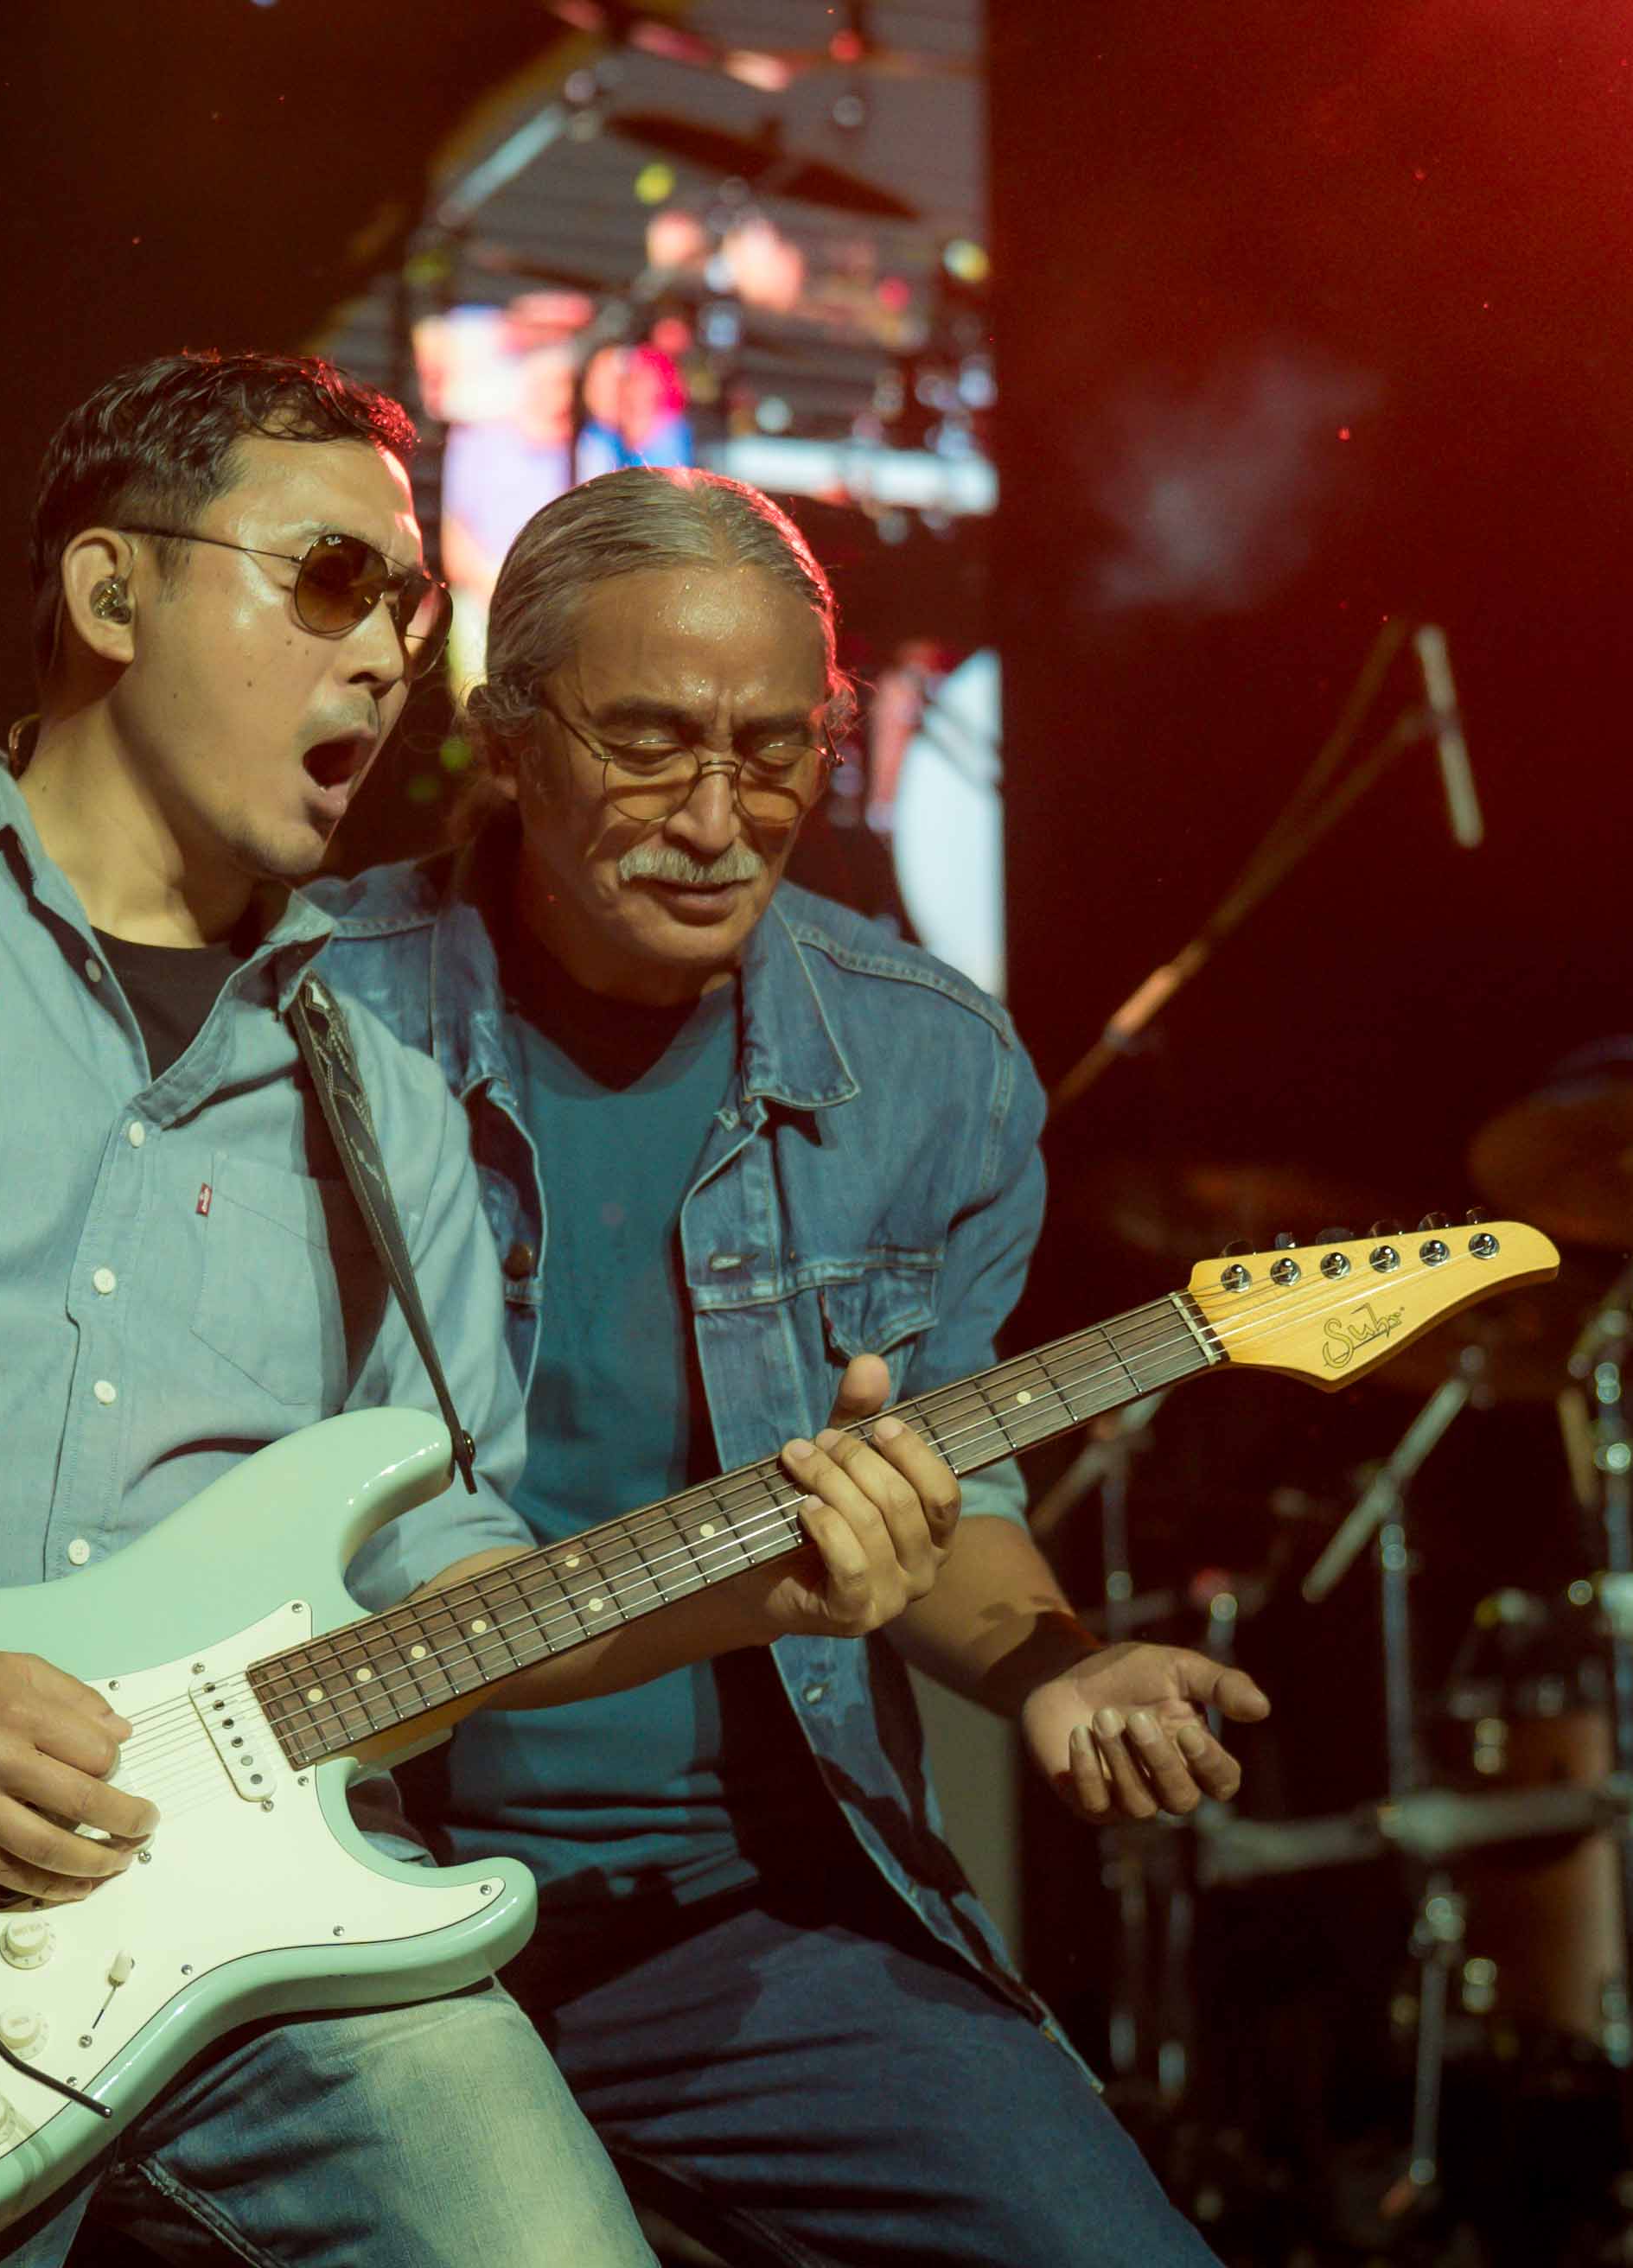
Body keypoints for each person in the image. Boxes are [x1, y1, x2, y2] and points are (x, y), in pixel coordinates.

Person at [0, 353, 958, 2267]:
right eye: (330, 581)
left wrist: (762, 1579)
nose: (389, 654)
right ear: (111, 592)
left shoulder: (388, 1096)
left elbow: (441, 1584)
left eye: (411, 606)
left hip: (277, 1935)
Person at [310, 464, 1261, 2267]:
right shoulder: (307, 1010)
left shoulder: (931, 1067)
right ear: (505, 736)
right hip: (328, 1899)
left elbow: (942, 1494)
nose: (717, 818)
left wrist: (1057, 1663)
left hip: (737, 1915)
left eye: (774, 753)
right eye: (648, 744)